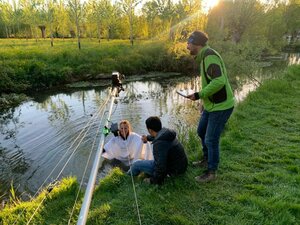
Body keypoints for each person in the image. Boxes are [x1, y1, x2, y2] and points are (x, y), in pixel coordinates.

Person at [186, 31, 234, 182]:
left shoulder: (209, 56)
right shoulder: (203, 57)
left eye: (189, 43)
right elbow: (209, 82)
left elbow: (218, 81)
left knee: (211, 139)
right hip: (211, 105)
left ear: (197, 44)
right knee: (201, 131)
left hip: (221, 106)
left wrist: (199, 95)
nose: (187, 46)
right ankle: (207, 159)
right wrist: (203, 102)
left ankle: (211, 172)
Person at [128, 116, 188, 185]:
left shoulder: (159, 144)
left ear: (150, 130)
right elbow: (157, 137)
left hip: (174, 171)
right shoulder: (166, 133)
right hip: (182, 166)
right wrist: (148, 138)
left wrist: (152, 180)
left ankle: (127, 176)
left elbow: (160, 166)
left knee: (136, 164)